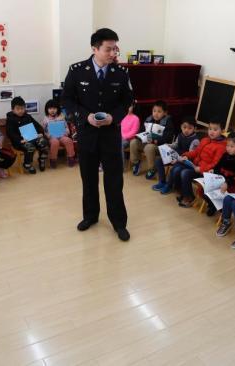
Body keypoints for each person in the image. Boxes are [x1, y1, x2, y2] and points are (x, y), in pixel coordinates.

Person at [61, 28, 133, 241]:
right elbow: (67, 100)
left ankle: (119, 222)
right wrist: (85, 116)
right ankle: (90, 216)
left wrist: (115, 117)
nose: (113, 53)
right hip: (87, 135)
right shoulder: (77, 70)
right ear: (95, 48)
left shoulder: (121, 73)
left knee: (114, 180)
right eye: (108, 49)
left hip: (111, 135)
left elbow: (127, 100)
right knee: (89, 179)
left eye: (115, 49)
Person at [166, 121, 226, 208]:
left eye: (215, 129)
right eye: (210, 129)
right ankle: (184, 192)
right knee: (177, 167)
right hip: (195, 165)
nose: (211, 132)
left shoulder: (222, 147)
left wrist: (201, 169)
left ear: (222, 131)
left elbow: (215, 164)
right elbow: (195, 152)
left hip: (207, 172)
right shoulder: (205, 140)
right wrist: (185, 156)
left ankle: (189, 198)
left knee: (185, 173)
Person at [203, 131, 235, 216]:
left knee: (224, 198)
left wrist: (227, 183)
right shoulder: (225, 155)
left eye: (232, 146)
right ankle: (213, 206)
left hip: (233, 186)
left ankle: (223, 211)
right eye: (227, 145)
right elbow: (218, 166)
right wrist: (213, 171)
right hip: (221, 181)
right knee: (206, 191)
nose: (228, 148)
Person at [151, 116, 199, 193]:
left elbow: (191, 154)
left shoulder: (195, 140)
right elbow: (176, 144)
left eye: (190, 128)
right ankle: (162, 181)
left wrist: (177, 159)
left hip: (184, 161)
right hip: (176, 156)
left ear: (195, 129)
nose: (186, 130)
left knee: (175, 169)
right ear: (181, 127)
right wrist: (168, 145)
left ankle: (169, 186)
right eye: (184, 127)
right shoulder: (180, 135)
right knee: (158, 160)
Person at [130, 100, 174, 179]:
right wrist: (140, 136)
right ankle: (136, 162)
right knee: (133, 142)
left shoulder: (168, 122)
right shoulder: (149, 119)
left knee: (149, 147)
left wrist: (156, 141)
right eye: (154, 111)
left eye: (159, 111)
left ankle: (152, 168)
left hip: (159, 147)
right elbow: (141, 130)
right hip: (147, 142)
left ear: (165, 113)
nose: (156, 113)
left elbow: (168, 137)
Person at [6, 96, 49, 174]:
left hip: (32, 138)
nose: (20, 111)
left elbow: (37, 125)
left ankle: (42, 159)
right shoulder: (10, 119)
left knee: (44, 142)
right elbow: (10, 133)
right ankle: (27, 164)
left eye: (22, 108)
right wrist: (20, 140)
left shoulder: (28, 116)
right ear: (13, 109)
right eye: (18, 109)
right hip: (20, 142)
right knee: (30, 147)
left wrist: (40, 133)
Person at [41, 99, 76, 169]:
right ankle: (53, 159)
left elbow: (66, 127)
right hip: (52, 137)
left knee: (68, 140)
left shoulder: (61, 116)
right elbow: (44, 130)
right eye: (50, 108)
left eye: (54, 108)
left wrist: (66, 132)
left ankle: (71, 157)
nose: (52, 110)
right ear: (47, 109)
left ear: (58, 109)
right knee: (55, 142)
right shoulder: (45, 119)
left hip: (62, 135)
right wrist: (48, 135)